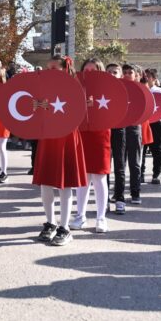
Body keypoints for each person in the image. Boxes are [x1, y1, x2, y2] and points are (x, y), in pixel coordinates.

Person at [34, 55, 87, 246]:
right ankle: (50, 223)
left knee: (65, 183)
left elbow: (77, 113)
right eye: (48, 68)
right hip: (48, 136)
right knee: (45, 182)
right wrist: (36, 107)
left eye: (54, 68)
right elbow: (34, 114)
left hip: (66, 137)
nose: (50, 71)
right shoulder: (42, 88)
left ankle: (64, 227)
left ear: (65, 69)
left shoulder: (73, 87)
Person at [71, 58, 110, 233]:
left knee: (99, 177)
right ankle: (80, 216)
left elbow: (113, 110)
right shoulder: (76, 87)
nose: (88, 73)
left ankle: (101, 218)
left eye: (93, 70)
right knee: (83, 178)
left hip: (100, 133)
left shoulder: (107, 88)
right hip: (82, 134)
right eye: (86, 70)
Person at [105, 63, 127, 214]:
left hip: (120, 130)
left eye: (115, 72)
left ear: (120, 75)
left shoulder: (125, 90)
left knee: (119, 167)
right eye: (109, 72)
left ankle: (120, 199)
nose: (112, 74)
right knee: (104, 168)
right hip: (104, 131)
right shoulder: (100, 90)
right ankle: (104, 200)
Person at [121, 63, 144, 206]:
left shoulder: (141, 90)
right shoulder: (118, 88)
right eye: (125, 72)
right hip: (119, 128)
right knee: (119, 164)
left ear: (136, 75)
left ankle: (135, 192)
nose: (128, 74)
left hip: (134, 128)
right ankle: (119, 193)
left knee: (134, 163)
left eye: (131, 72)